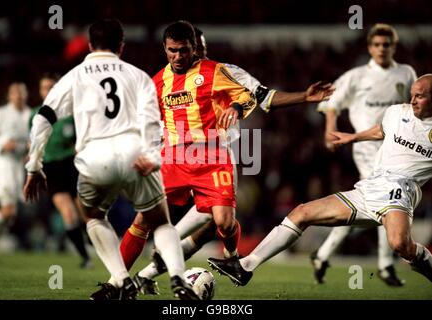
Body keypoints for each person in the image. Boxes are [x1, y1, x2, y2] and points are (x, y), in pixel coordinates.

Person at [93, 25, 334, 297]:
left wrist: (240, 106)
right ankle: (119, 283)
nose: (181, 55)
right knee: (147, 221)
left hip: (215, 157)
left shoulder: (222, 71)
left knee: (220, 223)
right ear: (166, 49)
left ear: (195, 46)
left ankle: (219, 259)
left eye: (187, 49)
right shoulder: (158, 81)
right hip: (175, 158)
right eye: (174, 50)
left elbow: (258, 97)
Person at [23, 18, 199, 300]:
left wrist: (34, 166)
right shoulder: (139, 76)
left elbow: (42, 119)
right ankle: (178, 278)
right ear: (121, 46)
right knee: (161, 223)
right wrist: (153, 155)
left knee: (93, 217)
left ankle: (122, 279)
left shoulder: (76, 75)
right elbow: (153, 123)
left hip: (94, 158)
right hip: (135, 156)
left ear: (90, 45)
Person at [207, 74, 432, 287]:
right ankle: (245, 266)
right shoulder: (396, 112)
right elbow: (382, 131)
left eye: (420, 96)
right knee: (301, 213)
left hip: (400, 189)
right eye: (412, 94)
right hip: (370, 188)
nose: (412, 100)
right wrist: (353, 137)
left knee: (400, 244)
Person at [312, 23, 417, 286]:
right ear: (370, 47)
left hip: (396, 147)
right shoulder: (357, 76)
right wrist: (330, 131)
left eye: (387, 44)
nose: (382, 49)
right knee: (388, 201)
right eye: (378, 45)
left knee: (369, 207)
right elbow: (330, 102)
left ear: (394, 46)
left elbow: (417, 107)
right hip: (366, 147)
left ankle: (322, 254)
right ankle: (384, 266)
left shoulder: (406, 73)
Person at [29, 73, 92, 268]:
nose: (47, 91)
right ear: (40, 91)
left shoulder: (70, 113)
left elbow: (83, 136)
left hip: (71, 165)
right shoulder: (35, 115)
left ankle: (98, 245)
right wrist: (32, 163)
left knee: (86, 212)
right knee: (68, 214)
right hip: (51, 168)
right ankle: (85, 257)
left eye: (51, 87)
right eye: (44, 87)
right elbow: (31, 142)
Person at [0, 82, 31, 260]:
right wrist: (1, 145)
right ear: (9, 96)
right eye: (15, 93)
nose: (18, 96)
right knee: (7, 210)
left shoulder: (30, 115)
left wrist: (31, 151)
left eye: (22, 93)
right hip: (2, 165)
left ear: (26, 95)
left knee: (11, 215)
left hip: (18, 167)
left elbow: (35, 140)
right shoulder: (0, 114)